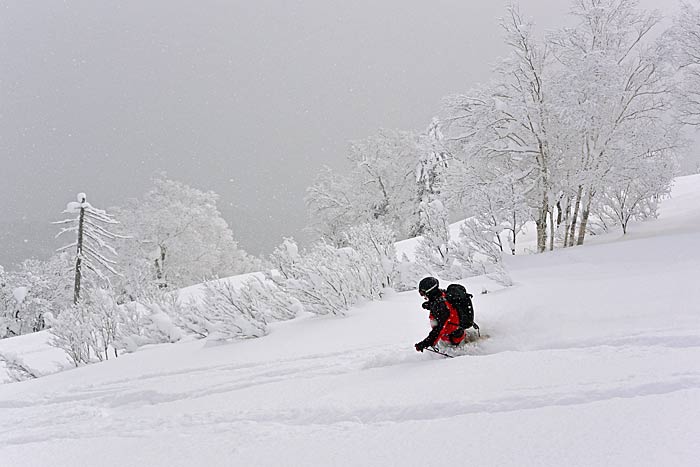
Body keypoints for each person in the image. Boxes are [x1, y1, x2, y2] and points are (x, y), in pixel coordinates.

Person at [414, 276, 465, 352]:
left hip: (453, 338)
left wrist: (425, 343)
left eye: (423, 293)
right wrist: (430, 305)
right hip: (451, 332)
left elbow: (438, 329)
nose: (423, 295)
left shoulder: (441, 307)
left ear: (430, 291)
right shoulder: (441, 295)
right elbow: (442, 304)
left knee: (451, 357)